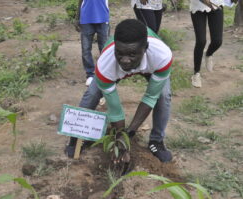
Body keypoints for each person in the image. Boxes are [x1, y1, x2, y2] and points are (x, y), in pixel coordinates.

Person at [66, 19, 173, 163]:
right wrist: (120, 138)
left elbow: (150, 97)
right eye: (120, 53)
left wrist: (130, 133)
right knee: (92, 94)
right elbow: (115, 110)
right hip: (111, 69)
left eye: (132, 55)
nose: (125, 61)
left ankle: (156, 141)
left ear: (145, 48)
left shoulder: (162, 56)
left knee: (164, 95)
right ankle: (77, 137)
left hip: (151, 65)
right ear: (115, 47)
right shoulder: (106, 64)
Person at [190, 0, 224, 88]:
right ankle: (196, 74)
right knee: (201, 41)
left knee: (217, 41)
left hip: (216, 4)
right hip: (198, 6)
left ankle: (208, 54)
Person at [76, 0, 110, 86]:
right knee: (86, 49)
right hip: (86, 18)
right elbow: (80, 1)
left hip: (103, 18)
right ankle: (90, 74)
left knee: (104, 49)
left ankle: (104, 74)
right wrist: (77, 18)